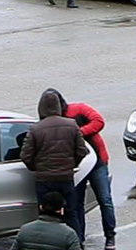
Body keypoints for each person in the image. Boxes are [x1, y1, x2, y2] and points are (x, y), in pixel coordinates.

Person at [21, 90, 88, 244]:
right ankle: (76, 244)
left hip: (44, 180)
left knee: (45, 217)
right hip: (66, 178)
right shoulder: (71, 125)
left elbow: (25, 156)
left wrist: (36, 168)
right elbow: (82, 151)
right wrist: (71, 165)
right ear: (58, 106)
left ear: (41, 108)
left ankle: (47, 245)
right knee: (71, 214)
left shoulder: (36, 129)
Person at [54, 91, 117, 250]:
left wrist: (79, 133)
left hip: (97, 162)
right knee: (76, 203)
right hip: (77, 166)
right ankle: (79, 238)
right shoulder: (55, 121)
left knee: (105, 200)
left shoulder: (79, 109)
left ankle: (110, 236)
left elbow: (99, 121)